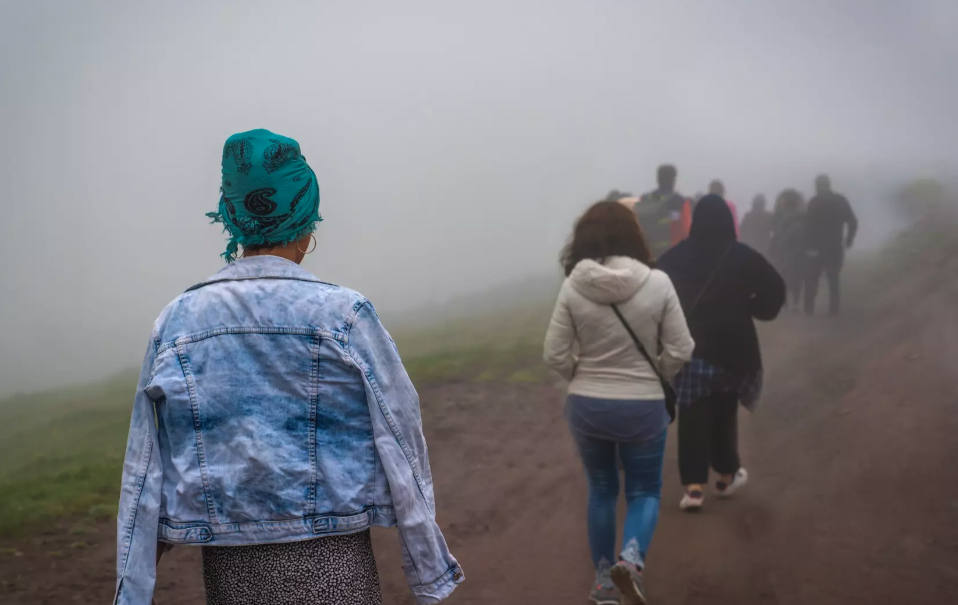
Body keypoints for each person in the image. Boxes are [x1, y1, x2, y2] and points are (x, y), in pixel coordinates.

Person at [113, 129, 463, 605]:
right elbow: (401, 436)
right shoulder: (344, 315)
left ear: (232, 216)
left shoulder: (178, 321)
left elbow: (144, 463)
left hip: (231, 573)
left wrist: (131, 590)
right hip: (334, 565)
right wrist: (428, 570)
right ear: (306, 218)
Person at [544, 200, 695, 605]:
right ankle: (631, 561)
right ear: (634, 234)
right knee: (645, 490)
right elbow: (681, 347)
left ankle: (604, 585)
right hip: (643, 405)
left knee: (602, 489)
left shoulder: (573, 285)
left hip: (587, 406)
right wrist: (657, 372)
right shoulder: (658, 283)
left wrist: (584, 376)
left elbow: (554, 354)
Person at [655, 195, 786, 512]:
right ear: (728, 223)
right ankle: (726, 478)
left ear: (695, 222)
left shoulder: (674, 258)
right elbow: (776, 289)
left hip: (690, 350)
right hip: (733, 351)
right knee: (725, 412)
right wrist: (754, 308)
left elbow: (653, 293)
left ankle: (693, 489)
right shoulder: (743, 257)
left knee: (692, 414)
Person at [804, 175, 858, 316]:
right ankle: (834, 310)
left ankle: (808, 309)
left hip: (815, 247)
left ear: (817, 186)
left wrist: (806, 246)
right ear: (829, 185)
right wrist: (849, 240)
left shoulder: (813, 202)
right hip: (834, 246)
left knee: (812, 278)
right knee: (833, 278)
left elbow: (806, 226)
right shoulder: (840, 201)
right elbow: (853, 221)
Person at [634, 164, 694, 263]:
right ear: (674, 180)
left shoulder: (644, 199)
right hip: (672, 256)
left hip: (648, 254)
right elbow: (686, 231)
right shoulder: (680, 202)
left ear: (657, 179)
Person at [768, 189, 809, 310]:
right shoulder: (802, 217)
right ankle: (794, 302)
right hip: (797, 252)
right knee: (796, 278)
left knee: (785, 277)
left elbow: (774, 232)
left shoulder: (781, 217)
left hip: (785, 251)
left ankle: (786, 302)